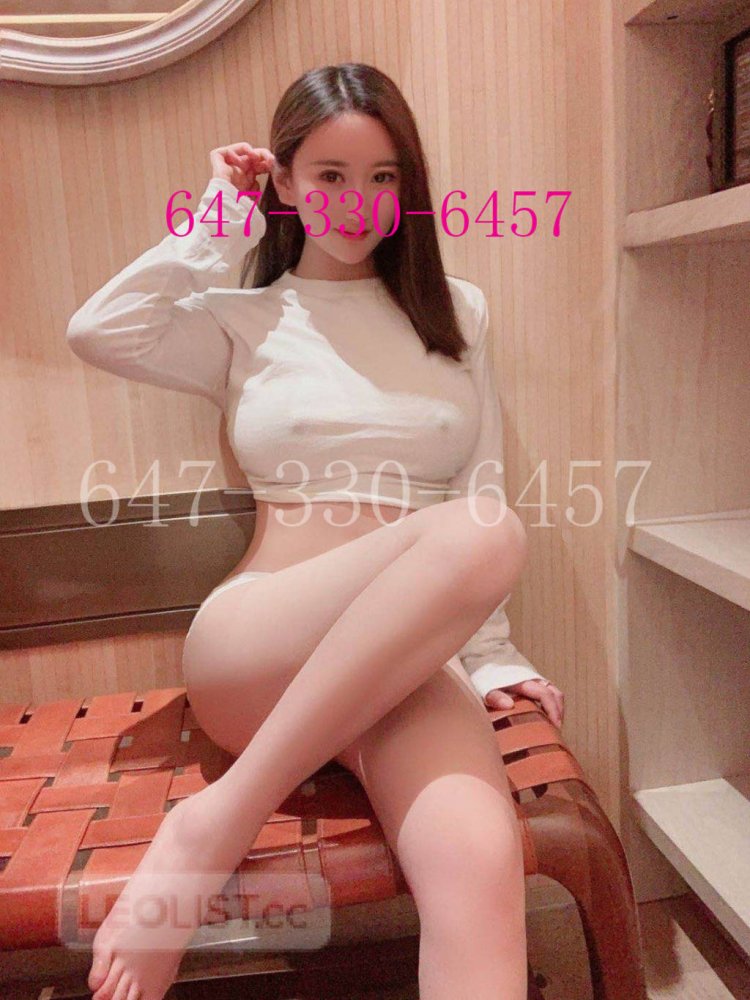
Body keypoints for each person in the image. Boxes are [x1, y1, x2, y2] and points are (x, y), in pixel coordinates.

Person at [66, 62, 564, 1000]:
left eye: (382, 177)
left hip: (402, 666)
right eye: (330, 175)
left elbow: (479, 474)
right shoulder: (242, 319)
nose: (357, 200)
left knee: (480, 865)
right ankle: (213, 827)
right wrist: (221, 217)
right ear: (286, 184)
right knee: (483, 534)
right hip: (259, 645)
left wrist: (491, 658)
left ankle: (217, 818)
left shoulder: (459, 312)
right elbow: (100, 330)